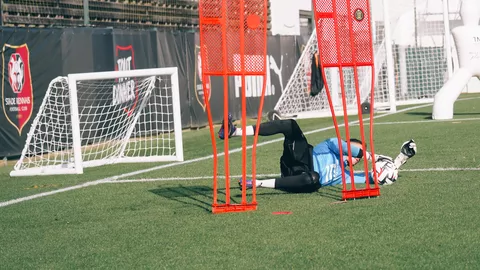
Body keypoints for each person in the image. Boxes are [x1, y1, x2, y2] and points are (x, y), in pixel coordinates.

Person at [218, 113, 417, 193]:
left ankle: (258, 183)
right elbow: (337, 143)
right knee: (290, 125)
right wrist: (368, 155)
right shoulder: (332, 147)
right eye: (353, 151)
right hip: (300, 158)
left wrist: (400, 160)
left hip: (300, 178)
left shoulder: (346, 175)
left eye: (357, 158)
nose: (354, 158)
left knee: (314, 179)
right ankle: (235, 131)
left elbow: (374, 177)